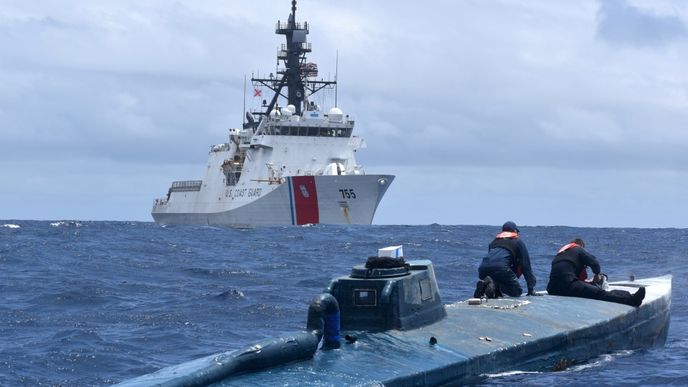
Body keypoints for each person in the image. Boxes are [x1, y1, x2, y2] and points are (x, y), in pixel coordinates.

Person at [546, 238, 645, 307]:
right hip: (567, 286)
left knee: (590, 289)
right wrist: (597, 274)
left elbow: (570, 277)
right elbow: (594, 263)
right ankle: (633, 299)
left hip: (552, 289)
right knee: (600, 293)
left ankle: (629, 296)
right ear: (581, 246)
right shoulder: (578, 249)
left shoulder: (561, 254)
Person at [474, 221, 536, 298]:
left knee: (497, 288)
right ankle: (493, 286)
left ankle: (485, 285)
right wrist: (531, 288)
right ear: (515, 231)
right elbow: (526, 265)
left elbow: (493, 261)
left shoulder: (493, 242)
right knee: (516, 292)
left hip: (482, 269)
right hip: (501, 269)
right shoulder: (518, 242)